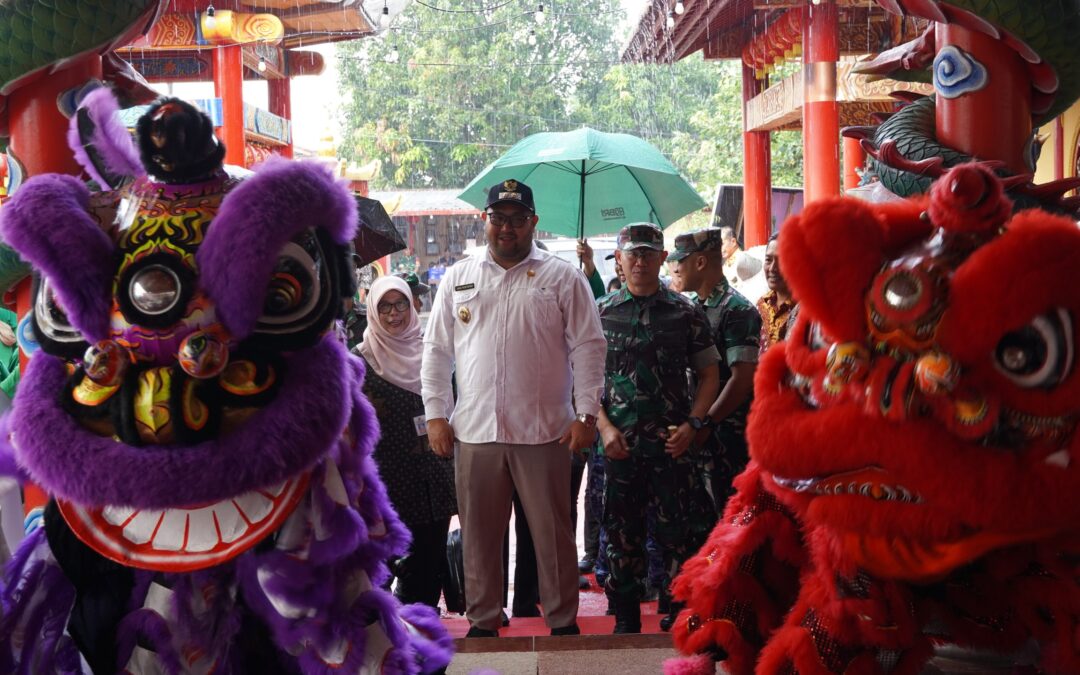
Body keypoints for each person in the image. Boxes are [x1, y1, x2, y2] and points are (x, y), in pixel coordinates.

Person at [422, 178, 606, 638]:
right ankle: (483, 621)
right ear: (485, 221)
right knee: (479, 537)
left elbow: (588, 345)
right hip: (475, 432)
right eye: (498, 218)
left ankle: (562, 621)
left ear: (533, 223)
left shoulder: (563, 276)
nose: (507, 228)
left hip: (546, 432)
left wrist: (587, 415)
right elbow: (437, 351)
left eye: (517, 219)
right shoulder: (459, 277)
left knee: (554, 536)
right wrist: (436, 414)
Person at [596, 222, 720, 634]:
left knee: (679, 533)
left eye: (649, 253)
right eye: (633, 253)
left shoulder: (685, 312)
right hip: (620, 446)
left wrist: (694, 423)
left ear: (663, 258)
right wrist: (603, 427)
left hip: (671, 446)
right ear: (619, 258)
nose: (640, 261)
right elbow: (581, 379)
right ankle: (626, 613)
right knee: (621, 533)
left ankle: (680, 606)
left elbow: (709, 374)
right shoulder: (601, 312)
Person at [356, 276, 457, 608]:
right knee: (379, 571)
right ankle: (386, 641)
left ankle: (422, 646)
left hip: (433, 482)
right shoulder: (358, 363)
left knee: (427, 569)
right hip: (384, 485)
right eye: (384, 306)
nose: (393, 314)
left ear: (413, 306)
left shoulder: (432, 351)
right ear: (372, 309)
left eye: (400, 304)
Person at [667, 228, 761, 512]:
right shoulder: (691, 308)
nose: (674, 269)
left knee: (730, 516)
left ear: (700, 262)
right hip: (695, 433)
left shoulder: (737, 310)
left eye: (679, 262)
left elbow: (742, 378)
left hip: (726, 437)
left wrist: (706, 423)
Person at [757, 233, 797, 353]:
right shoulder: (762, 304)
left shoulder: (805, 310)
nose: (772, 268)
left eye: (782, 261)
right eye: (768, 260)